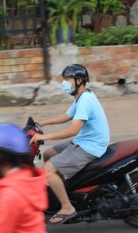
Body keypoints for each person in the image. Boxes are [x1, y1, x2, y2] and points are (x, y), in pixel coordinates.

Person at [30, 63, 110, 224]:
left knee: (48, 169)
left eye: (68, 80)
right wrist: (42, 123)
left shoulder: (85, 100)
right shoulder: (82, 96)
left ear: (79, 81)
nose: (64, 83)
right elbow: (67, 115)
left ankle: (67, 207)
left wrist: (44, 137)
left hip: (90, 146)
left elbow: (73, 130)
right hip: (84, 140)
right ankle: (60, 187)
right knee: (48, 154)